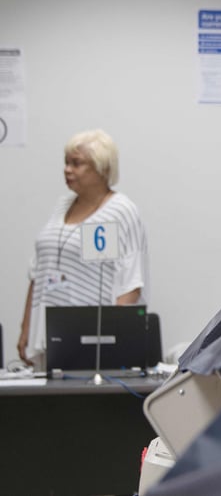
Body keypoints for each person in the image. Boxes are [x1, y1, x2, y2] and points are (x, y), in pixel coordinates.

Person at [17, 129, 149, 369]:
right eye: (66, 162)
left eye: (76, 163)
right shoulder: (62, 206)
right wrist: (26, 327)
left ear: (102, 168)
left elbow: (131, 285)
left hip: (90, 340)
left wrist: (109, 338)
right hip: (49, 333)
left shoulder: (120, 211)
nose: (67, 169)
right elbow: (37, 273)